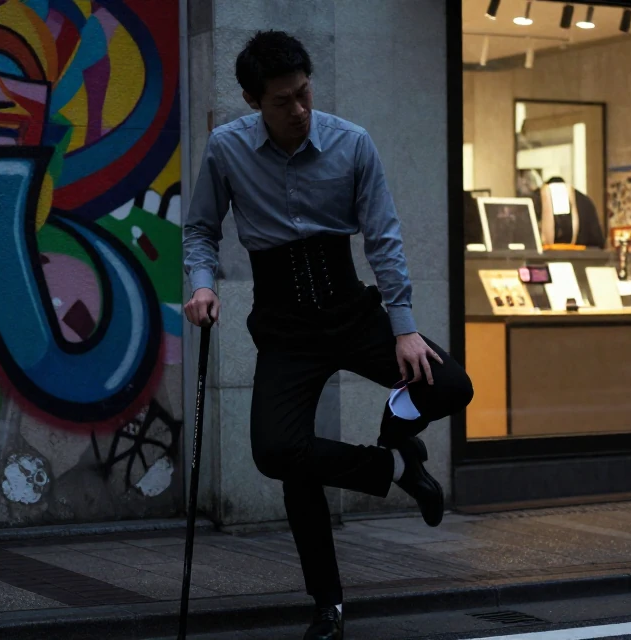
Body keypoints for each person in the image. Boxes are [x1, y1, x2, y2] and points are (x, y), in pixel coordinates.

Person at [182, 30, 474, 640]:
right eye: (283, 101)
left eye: (304, 93)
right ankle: (333, 597)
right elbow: (201, 229)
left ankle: (401, 442)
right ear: (252, 100)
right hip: (286, 324)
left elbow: (384, 238)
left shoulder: (352, 143)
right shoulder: (227, 149)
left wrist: (404, 329)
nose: (299, 110)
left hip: (350, 306)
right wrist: (204, 284)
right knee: (281, 455)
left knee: (448, 383)